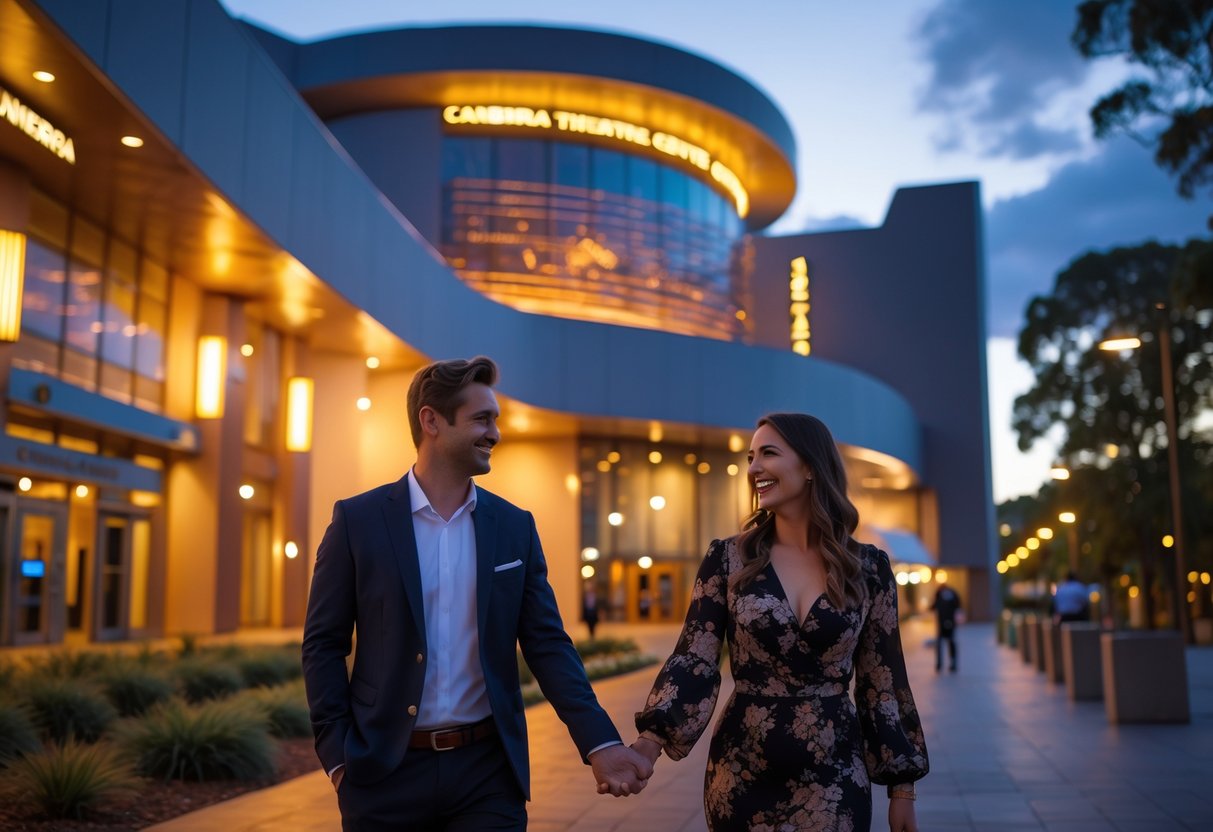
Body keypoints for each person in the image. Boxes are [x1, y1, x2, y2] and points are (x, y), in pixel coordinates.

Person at [302, 356, 653, 831]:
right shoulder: (358, 522)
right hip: (383, 775)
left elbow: (548, 644)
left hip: (487, 774)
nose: (495, 433)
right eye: (482, 419)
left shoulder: (513, 527)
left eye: (496, 420)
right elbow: (323, 644)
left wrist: (600, 742)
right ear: (431, 421)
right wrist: (338, 759)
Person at [630, 413, 928, 832]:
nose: (754, 468)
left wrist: (903, 789)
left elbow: (883, 680)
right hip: (741, 769)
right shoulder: (727, 559)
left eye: (768, 453)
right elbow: (694, 657)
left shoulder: (868, 567)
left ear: (810, 467)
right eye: (750, 458)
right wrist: (648, 744)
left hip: (835, 771)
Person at [931, 577, 962, 673]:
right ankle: (953, 663)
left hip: (942, 623)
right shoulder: (952, 593)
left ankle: (939, 664)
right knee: (951, 642)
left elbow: (934, 606)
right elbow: (958, 606)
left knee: (940, 643)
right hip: (950, 622)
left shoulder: (939, 593)